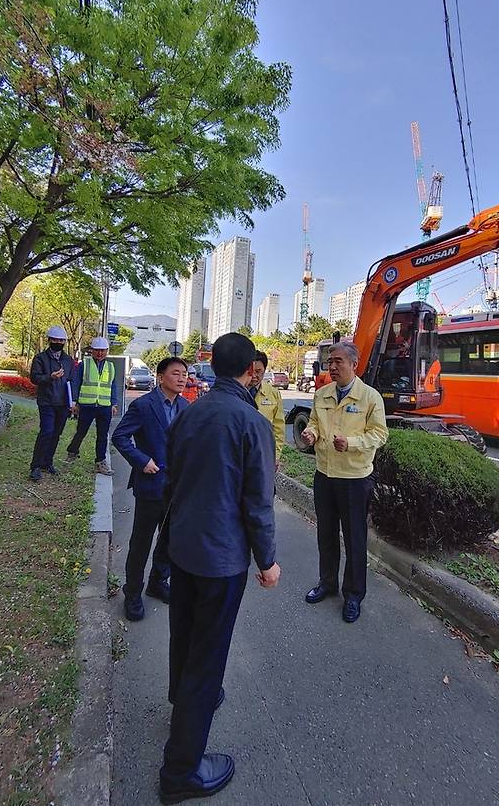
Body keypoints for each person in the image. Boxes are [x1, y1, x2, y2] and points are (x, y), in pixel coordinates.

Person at [158, 333, 280, 804]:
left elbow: (174, 478)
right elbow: (258, 503)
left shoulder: (189, 412)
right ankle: (181, 771)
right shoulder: (252, 423)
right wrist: (267, 561)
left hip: (183, 546)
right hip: (221, 558)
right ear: (251, 371)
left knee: (184, 635)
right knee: (208, 658)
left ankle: (182, 701)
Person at [301, 341, 388, 623]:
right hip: (324, 475)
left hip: (354, 478)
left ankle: (353, 595)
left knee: (354, 539)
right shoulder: (322, 394)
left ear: (354, 364)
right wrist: (311, 433)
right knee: (325, 534)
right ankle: (327, 583)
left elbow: (379, 434)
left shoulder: (370, 397)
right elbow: (315, 422)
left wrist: (350, 443)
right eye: (330, 361)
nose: (333, 366)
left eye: (338, 361)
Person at [111, 357, 189, 621]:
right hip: (150, 486)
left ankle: (158, 582)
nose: (181, 378)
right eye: (175, 373)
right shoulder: (143, 405)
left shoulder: (185, 407)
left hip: (176, 489)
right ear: (160, 376)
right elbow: (120, 436)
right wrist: (142, 460)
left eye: (184, 374)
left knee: (168, 541)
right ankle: (132, 592)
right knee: (141, 543)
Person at [29, 326, 76, 482]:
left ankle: (47, 462)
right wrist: (50, 377)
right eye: (55, 340)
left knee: (56, 433)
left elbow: (72, 381)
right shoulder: (40, 358)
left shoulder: (68, 360)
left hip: (63, 403)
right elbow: (34, 378)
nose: (58, 342)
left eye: (61, 340)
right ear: (49, 340)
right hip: (47, 401)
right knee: (46, 432)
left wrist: (73, 401)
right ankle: (35, 466)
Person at [67, 336, 118, 475]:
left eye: (103, 350)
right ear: (92, 351)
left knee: (102, 435)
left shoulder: (110, 366)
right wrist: (75, 402)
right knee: (81, 431)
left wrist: (114, 403)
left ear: (107, 351)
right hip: (87, 405)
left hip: (104, 406)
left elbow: (113, 385)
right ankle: (72, 452)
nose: (100, 353)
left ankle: (100, 462)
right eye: (97, 350)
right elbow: (76, 382)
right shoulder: (85, 364)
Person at [249, 350, 285, 469]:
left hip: (264, 453)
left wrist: (276, 455)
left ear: (265, 370)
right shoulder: (238, 392)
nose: (254, 376)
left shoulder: (273, 393)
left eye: (258, 371)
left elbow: (278, 428)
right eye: (251, 371)